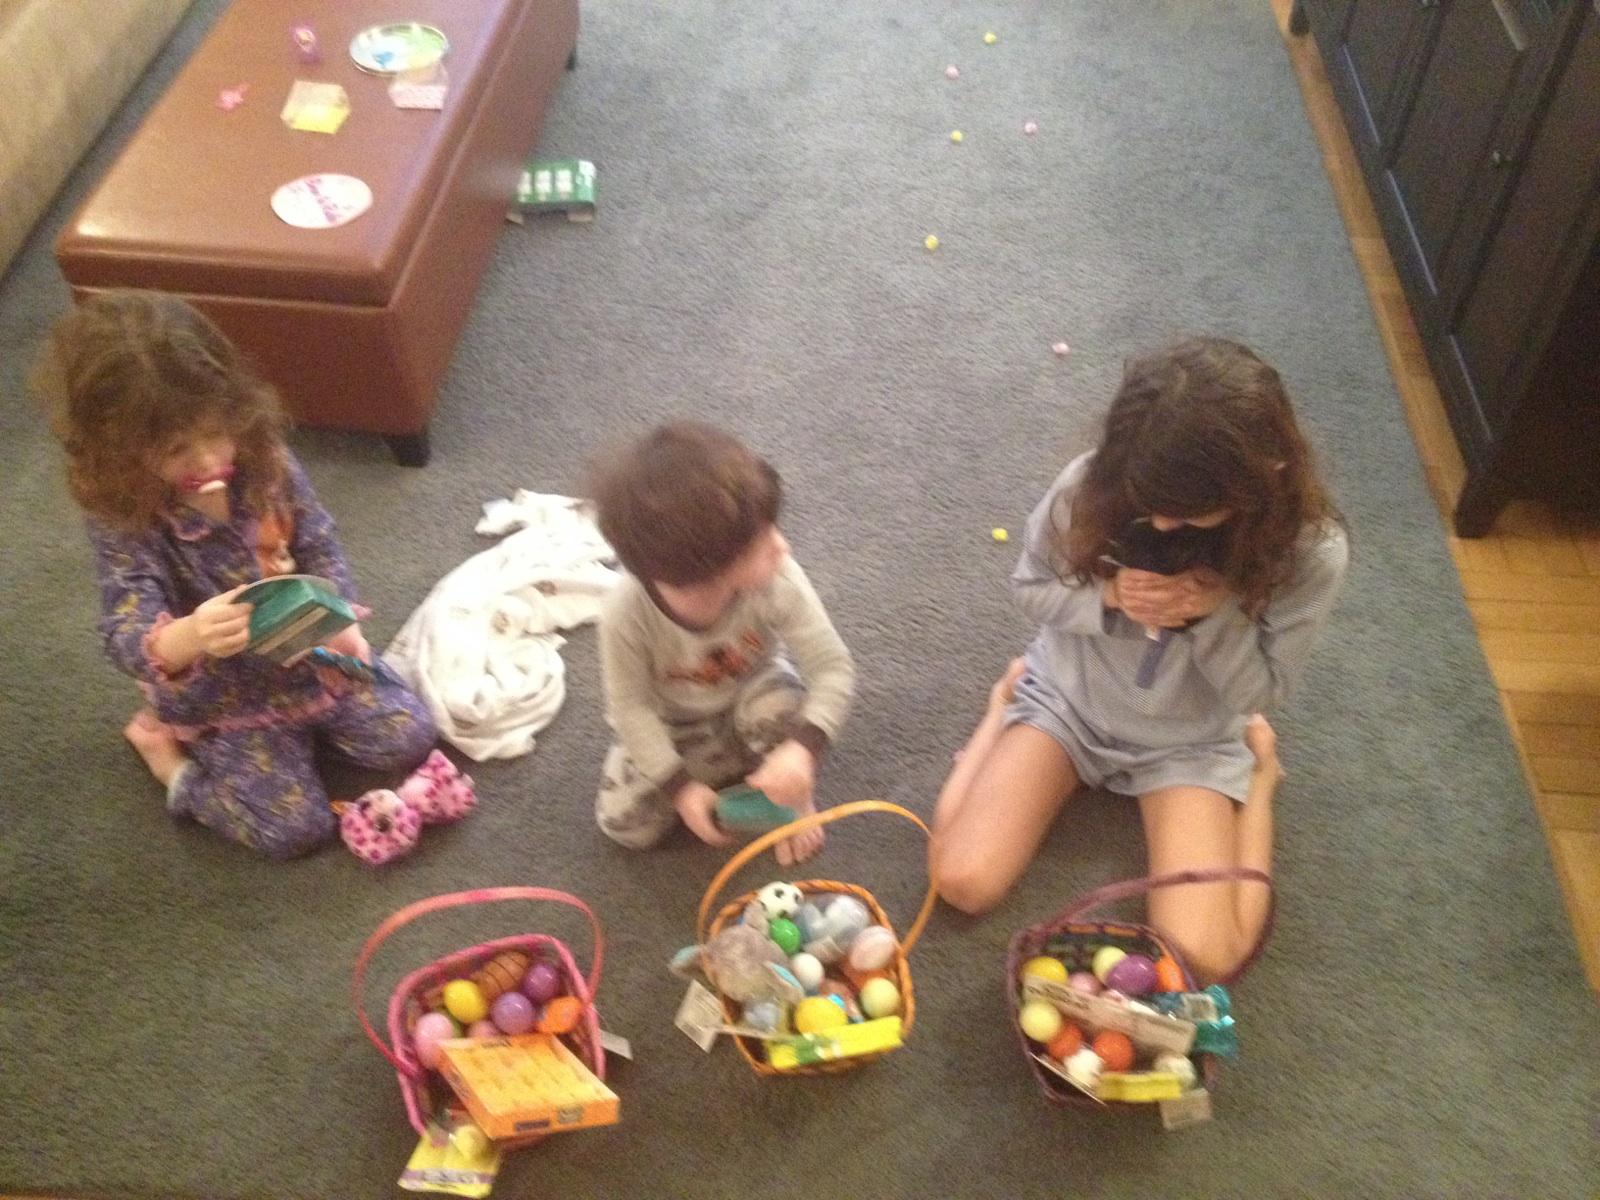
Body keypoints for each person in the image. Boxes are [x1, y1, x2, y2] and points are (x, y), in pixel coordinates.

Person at [930, 337, 1348, 982]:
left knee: (1203, 957)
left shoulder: (1311, 551)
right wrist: (1108, 597)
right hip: (1070, 703)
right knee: (960, 879)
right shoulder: (1092, 484)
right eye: (1146, 503)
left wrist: (1214, 616)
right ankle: (1001, 707)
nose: (1159, 524)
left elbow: (1259, 694)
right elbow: (1030, 587)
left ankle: (1261, 778)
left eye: (1183, 513)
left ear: (1259, 480)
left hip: (1188, 742)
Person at [34, 290, 436, 858]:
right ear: (120, 454)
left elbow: (318, 542)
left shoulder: (263, 458)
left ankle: (302, 733)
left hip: (309, 660)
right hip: (223, 700)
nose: (207, 459)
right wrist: (190, 634)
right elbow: (125, 627)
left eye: (217, 430)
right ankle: (171, 766)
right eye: (177, 449)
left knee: (410, 736)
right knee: (294, 830)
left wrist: (340, 618)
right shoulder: (125, 516)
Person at [588, 421, 855, 865]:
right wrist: (680, 789)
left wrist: (802, 750)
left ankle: (782, 789)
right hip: (676, 722)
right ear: (706, 572)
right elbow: (630, 710)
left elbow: (832, 666)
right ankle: (730, 766)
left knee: (782, 711)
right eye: (762, 543)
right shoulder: (624, 614)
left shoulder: (778, 580)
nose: (783, 547)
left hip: (755, 692)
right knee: (623, 823)